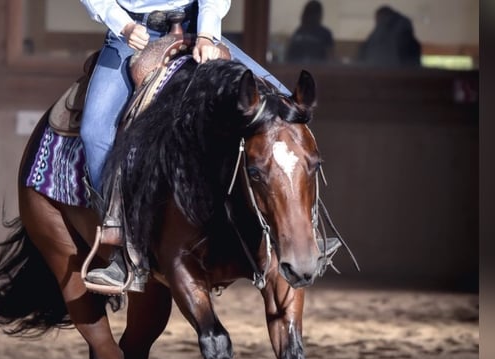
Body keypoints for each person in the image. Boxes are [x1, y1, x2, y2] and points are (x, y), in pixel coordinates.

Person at [80, 0, 340, 288]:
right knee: (95, 132)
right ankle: (120, 244)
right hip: (130, 34)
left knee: (286, 109)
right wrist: (123, 24)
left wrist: (206, 33)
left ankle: (309, 231)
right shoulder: (125, 28)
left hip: (198, 25)